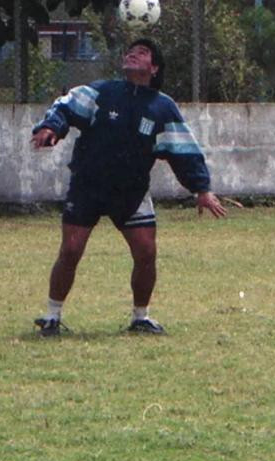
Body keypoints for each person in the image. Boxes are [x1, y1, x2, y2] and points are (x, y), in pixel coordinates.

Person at [30, 36, 227, 336]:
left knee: (146, 253)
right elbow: (65, 106)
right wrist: (50, 127)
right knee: (70, 250)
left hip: (130, 193)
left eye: (143, 52)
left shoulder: (162, 108)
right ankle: (52, 317)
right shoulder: (102, 92)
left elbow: (183, 150)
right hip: (88, 186)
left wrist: (202, 189)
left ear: (155, 67)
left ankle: (141, 317)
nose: (133, 54)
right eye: (131, 51)